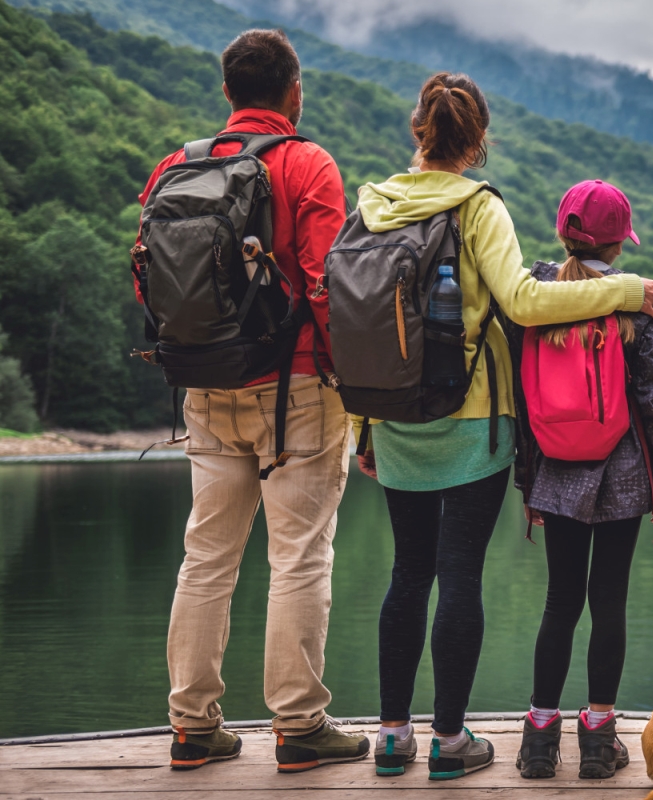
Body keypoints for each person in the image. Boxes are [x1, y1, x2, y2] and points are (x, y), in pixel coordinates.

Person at [359, 74, 653, 781]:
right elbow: (524, 303)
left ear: (417, 131)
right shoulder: (477, 205)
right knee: (459, 573)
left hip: (392, 419)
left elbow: (359, 318)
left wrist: (361, 428)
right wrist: (625, 290)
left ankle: (393, 737)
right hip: (471, 422)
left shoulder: (374, 204)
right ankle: (448, 742)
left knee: (407, 573)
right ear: (480, 140)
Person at [141, 29, 369, 773]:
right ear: (293, 93)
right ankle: (300, 728)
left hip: (204, 387)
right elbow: (324, 287)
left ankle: (192, 727)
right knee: (299, 557)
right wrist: (351, 384)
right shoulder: (308, 163)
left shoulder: (174, 168)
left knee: (205, 557)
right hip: (297, 387)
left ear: (228, 94)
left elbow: (149, 279)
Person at [516, 179, 653, 781]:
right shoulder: (636, 307)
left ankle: (538, 740)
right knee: (607, 601)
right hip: (620, 473)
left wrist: (526, 483)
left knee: (559, 601)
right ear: (618, 247)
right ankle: (597, 740)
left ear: (563, 231)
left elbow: (522, 401)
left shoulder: (534, 300)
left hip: (556, 470)